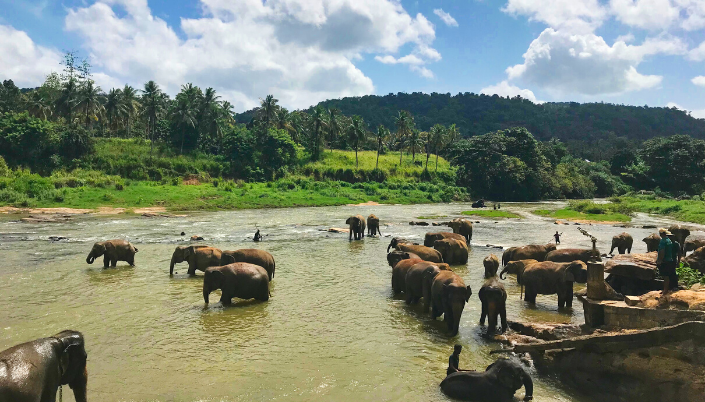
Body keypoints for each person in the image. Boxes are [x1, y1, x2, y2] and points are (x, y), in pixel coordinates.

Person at [657, 228, 675, 295]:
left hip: (665, 261)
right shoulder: (668, 240)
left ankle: (665, 290)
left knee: (665, 276)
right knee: (667, 276)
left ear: (661, 234)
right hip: (669, 260)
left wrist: (660, 260)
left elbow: (662, 251)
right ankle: (666, 289)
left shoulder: (663, 241)